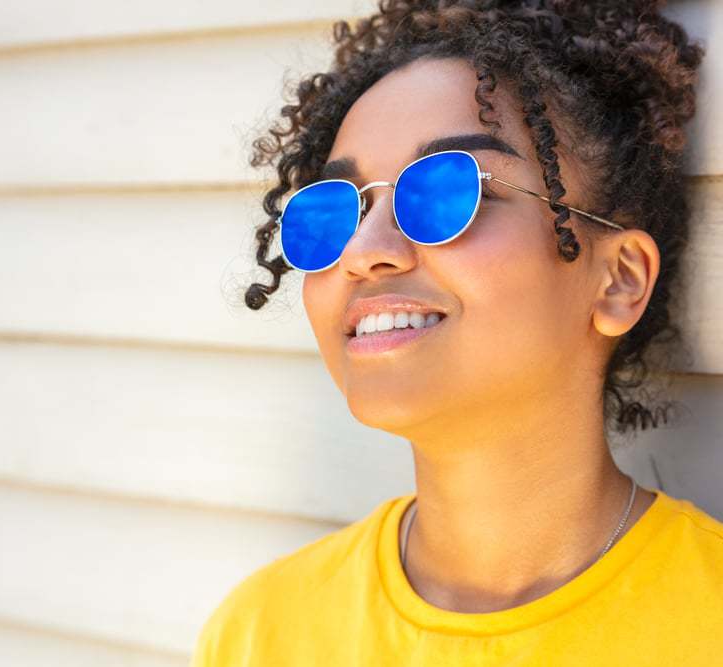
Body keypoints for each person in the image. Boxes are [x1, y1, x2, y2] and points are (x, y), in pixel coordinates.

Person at [192, 1, 723, 664]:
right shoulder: (260, 634)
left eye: (446, 191)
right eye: (334, 209)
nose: (363, 249)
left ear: (618, 280)